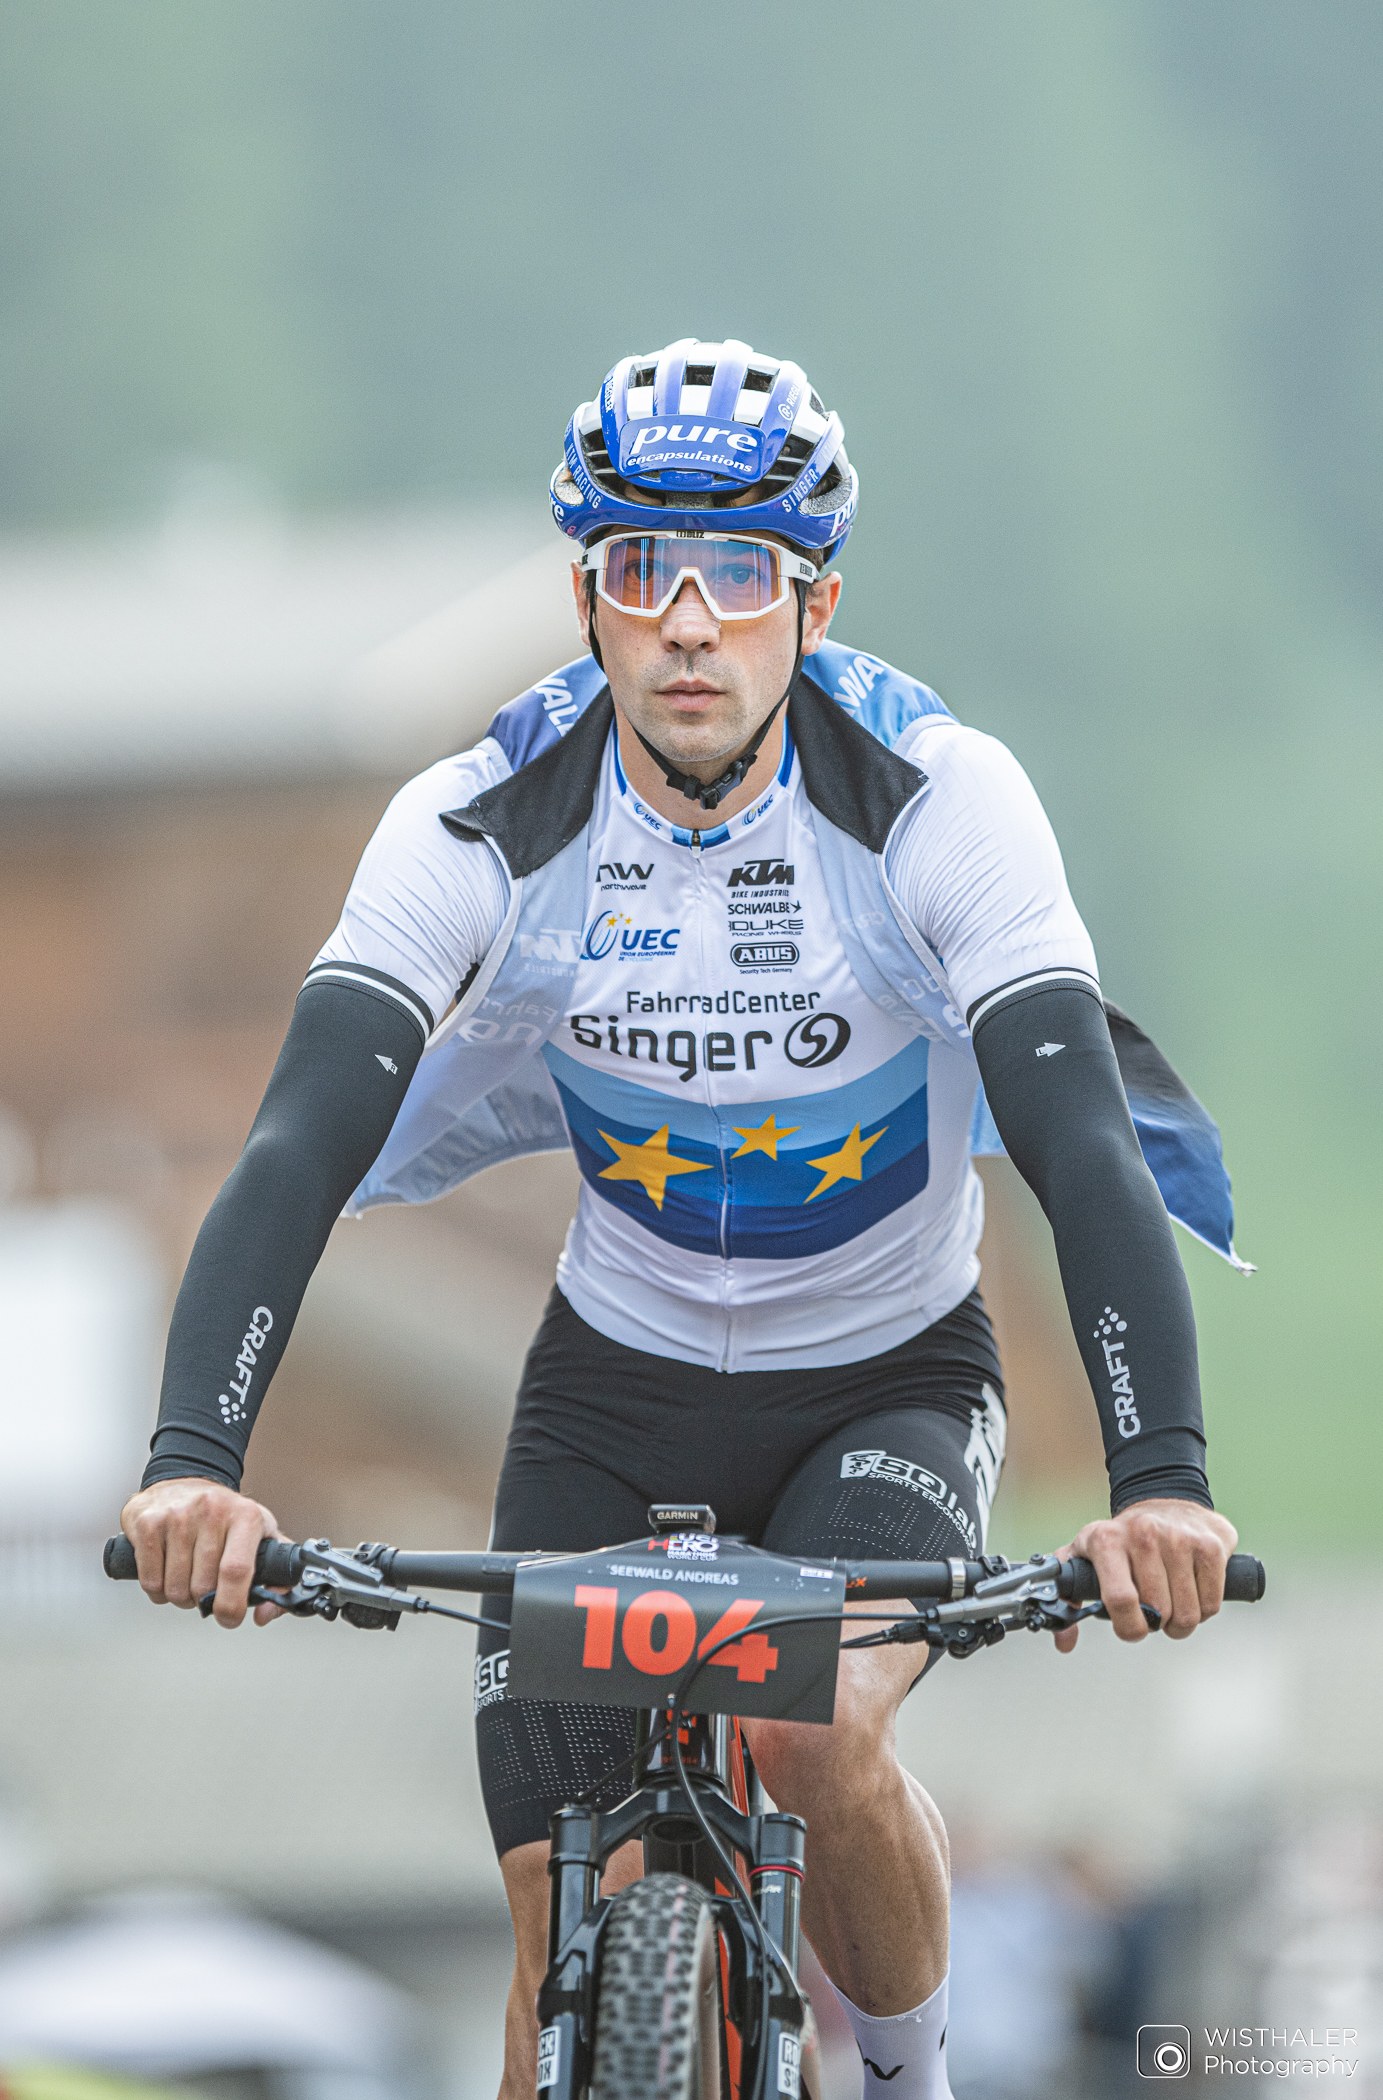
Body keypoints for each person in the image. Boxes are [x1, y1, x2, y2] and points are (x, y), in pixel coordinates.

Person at [119, 338, 1241, 2100]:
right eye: (645, 570)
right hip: (613, 1388)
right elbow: (296, 1145)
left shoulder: (938, 798)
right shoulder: (478, 818)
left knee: (812, 1730)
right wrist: (197, 1461)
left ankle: (910, 2079)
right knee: (550, 1925)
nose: (693, 623)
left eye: (741, 573)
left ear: (816, 602)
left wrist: (1159, 1483)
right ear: (587, 599)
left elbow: (1081, 1144)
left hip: (887, 1380)